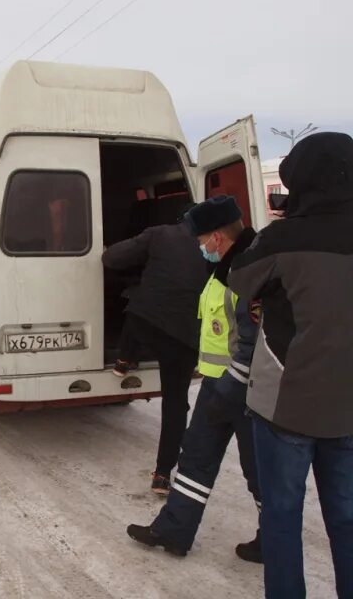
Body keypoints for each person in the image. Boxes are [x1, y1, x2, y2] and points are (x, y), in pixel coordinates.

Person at [228, 132, 353, 598]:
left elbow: (239, 279)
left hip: (286, 404)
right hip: (347, 406)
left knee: (283, 514)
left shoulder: (282, 237)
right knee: (346, 516)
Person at [126, 195, 262, 562]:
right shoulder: (225, 269)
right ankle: (173, 530)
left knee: (259, 470)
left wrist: (234, 384)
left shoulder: (252, 271)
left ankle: (273, 537)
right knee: (195, 459)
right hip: (218, 385)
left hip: (249, 391)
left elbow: (257, 342)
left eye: (201, 240)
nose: (200, 247)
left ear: (217, 237)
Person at [102, 207, 208, 493]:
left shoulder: (159, 234)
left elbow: (112, 258)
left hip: (147, 324)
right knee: (175, 405)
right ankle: (162, 475)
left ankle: (123, 360)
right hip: (185, 338)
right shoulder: (213, 247)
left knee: (134, 307)